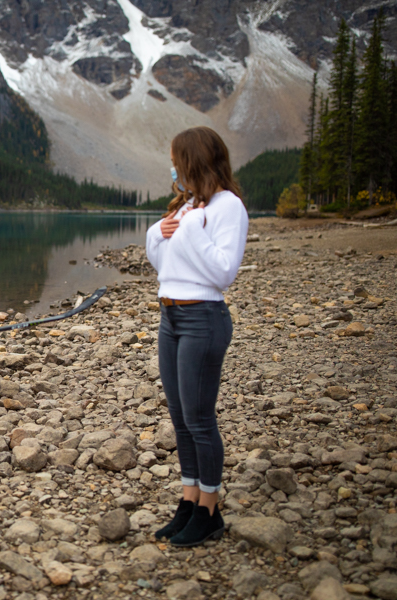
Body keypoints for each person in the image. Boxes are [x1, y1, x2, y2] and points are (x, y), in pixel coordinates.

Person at [145, 126, 248, 547]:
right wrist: (161, 233)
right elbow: (166, 267)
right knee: (181, 419)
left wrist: (187, 229)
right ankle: (189, 501)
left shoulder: (228, 207)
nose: (172, 167)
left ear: (192, 160)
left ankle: (210, 510)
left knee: (200, 421)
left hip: (203, 318)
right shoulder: (191, 205)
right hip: (170, 318)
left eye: (176, 159)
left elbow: (224, 271)